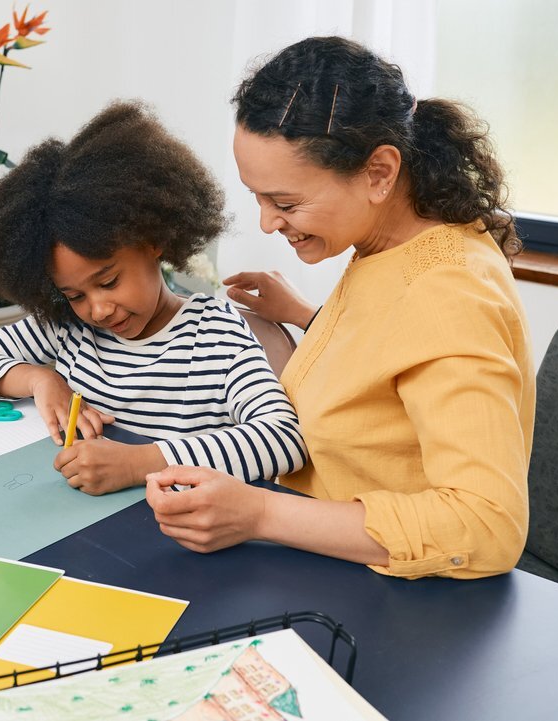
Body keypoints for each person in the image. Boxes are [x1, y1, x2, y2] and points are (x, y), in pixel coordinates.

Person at [146, 36, 535, 580]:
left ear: (378, 173)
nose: (267, 222)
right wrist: (311, 316)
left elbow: (487, 526)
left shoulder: (449, 294)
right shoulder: (394, 249)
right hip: (325, 563)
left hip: (399, 603)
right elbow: (395, 359)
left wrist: (259, 512)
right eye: (257, 198)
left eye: (285, 203)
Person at [0, 101, 306, 495]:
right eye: (74, 294)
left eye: (110, 281)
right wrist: (39, 379)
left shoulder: (216, 335)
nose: (97, 309)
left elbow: (284, 440)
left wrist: (141, 462)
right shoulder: (71, 327)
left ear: (153, 241)